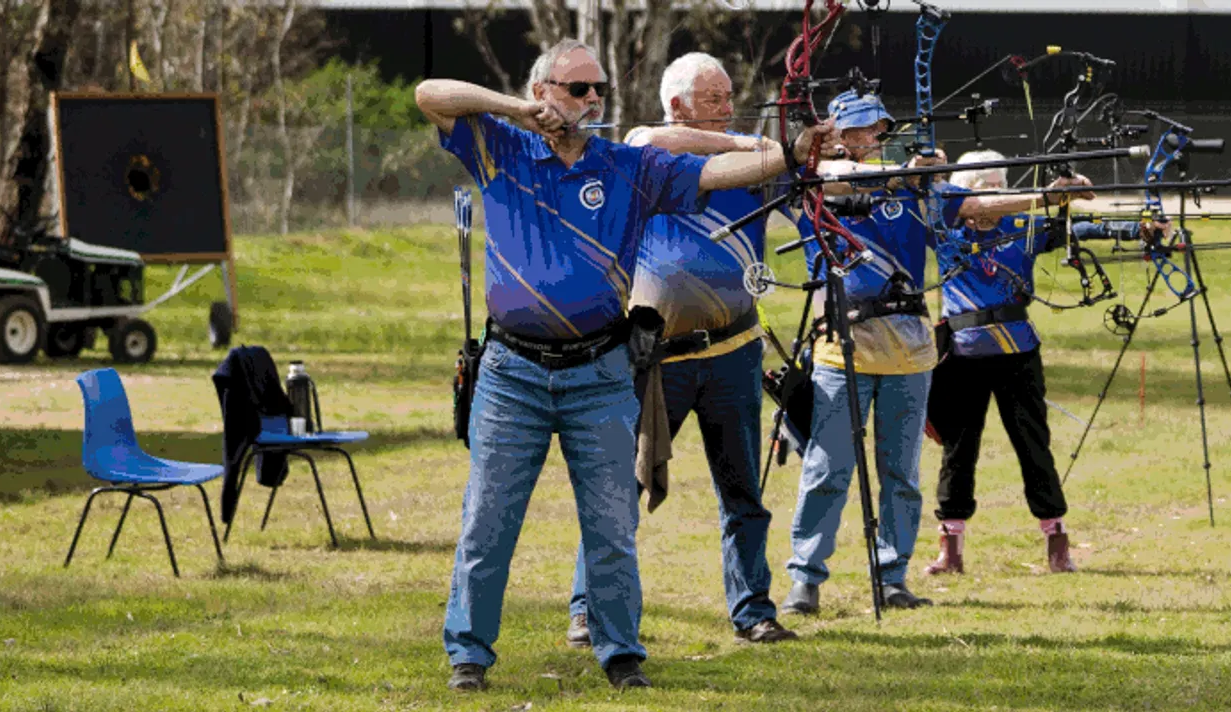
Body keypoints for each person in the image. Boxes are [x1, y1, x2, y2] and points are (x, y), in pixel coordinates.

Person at [417, 39, 827, 692]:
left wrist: (794, 151)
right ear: (544, 89)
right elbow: (429, 94)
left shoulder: (628, 166)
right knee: (488, 523)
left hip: (600, 371)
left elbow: (717, 177)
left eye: (599, 89)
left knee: (611, 522)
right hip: (513, 373)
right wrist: (519, 111)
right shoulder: (500, 146)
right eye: (578, 88)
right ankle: (469, 652)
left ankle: (621, 653)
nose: (593, 100)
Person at [781, 91, 1088, 616]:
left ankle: (892, 575)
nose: (877, 138)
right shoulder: (816, 184)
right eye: (865, 131)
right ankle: (805, 580)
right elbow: (816, 177)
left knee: (900, 472)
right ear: (840, 137)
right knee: (827, 469)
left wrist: (1046, 198)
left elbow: (978, 206)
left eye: (882, 128)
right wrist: (904, 172)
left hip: (909, 351)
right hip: (842, 348)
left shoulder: (916, 191)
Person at [562, 52, 800, 651]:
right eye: (715, 99)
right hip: (656, 355)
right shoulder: (647, 159)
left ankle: (753, 609)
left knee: (743, 491)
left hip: (733, 352)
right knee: (617, 488)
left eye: (727, 97)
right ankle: (589, 606)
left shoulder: (753, 168)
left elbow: (823, 179)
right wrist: (754, 141)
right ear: (679, 106)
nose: (728, 108)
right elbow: (647, 134)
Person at [921, 150, 1092, 576]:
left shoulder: (1022, 226)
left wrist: (1144, 228)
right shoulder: (945, 229)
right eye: (979, 190)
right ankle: (951, 547)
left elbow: (1080, 229)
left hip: (1018, 353)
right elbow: (927, 198)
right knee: (959, 450)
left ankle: (1056, 540)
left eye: (997, 186)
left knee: (1033, 444)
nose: (989, 198)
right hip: (962, 353)